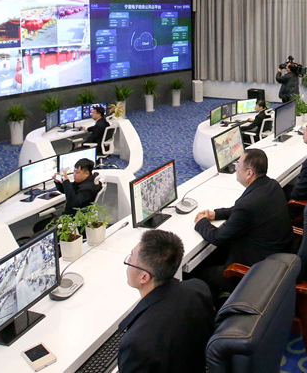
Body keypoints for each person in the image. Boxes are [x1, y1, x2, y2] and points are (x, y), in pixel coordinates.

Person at [192, 149, 293, 296]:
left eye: (238, 165)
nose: (235, 169)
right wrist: (216, 214)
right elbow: (241, 210)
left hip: (254, 271)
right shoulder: (272, 185)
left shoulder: (247, 205)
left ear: (249, 173)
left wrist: (201, 223)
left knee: (196, 275)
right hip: (276, 256)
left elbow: (218, 237)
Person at [119, 230, 215, 373]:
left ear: (144, 277)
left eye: (130, 260)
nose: (128, 264)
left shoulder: (136, 342)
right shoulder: (198, 289)